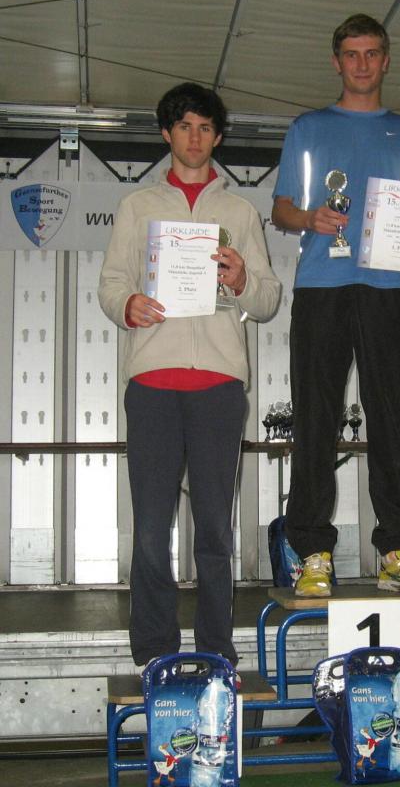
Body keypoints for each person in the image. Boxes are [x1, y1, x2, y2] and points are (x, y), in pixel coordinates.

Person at [99, 82, 281, 667]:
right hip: (152, 385)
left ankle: (215, 650)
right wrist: (127, 305)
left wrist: (241, 279)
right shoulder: (137, 207)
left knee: (215, 532)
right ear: (167, 134)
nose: (195, 137)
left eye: (205, 127)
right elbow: (110, 284)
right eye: (184, 127)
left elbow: (269, 299)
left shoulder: (240, 212)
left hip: (218, 389)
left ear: (217, 137)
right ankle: (155, 651)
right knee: (152, 529)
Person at [271, 14, 400, 598]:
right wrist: (310, 218)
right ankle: (312, 553)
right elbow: (281, 209)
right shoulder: (308, 128)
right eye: (352, 54)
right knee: (315, 418)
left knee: (391, 419)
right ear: (336, 61)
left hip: (391, 288)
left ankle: (396, 550)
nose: (362, 64)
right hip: (322, 285)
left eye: (372, 53)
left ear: (386, 60)